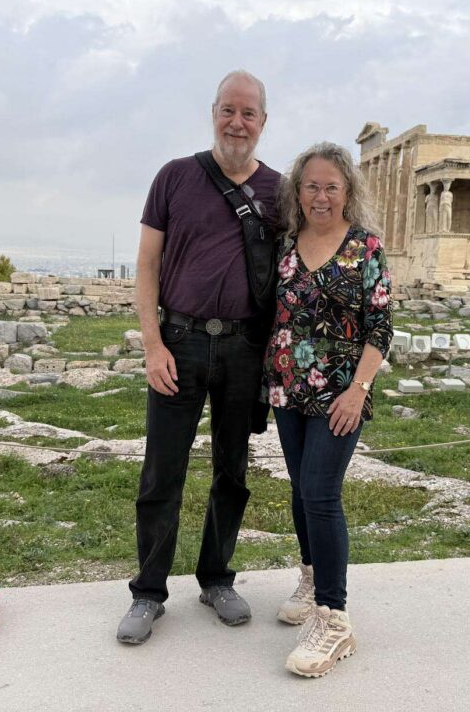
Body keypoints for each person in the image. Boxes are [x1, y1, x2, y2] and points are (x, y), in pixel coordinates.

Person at [117, 70, 281, 645]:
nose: (237, 122)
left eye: (248, 113)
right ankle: (148, 592)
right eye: (228, 110)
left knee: (232, 471)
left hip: (245, 347)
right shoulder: (174, 176)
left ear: (263, 122)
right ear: (213, 113)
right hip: (179, 341)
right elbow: (147, 265)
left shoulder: (279, 191)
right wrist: (152, 344)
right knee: (162, 471)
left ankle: (216, 578)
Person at [264, 142, 392, 677]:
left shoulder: (365, 247)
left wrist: (359, 389)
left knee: (320, 492)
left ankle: (334, 619)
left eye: (331, 187)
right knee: (300, 489)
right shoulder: (285, 245)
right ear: (298, 191)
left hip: (341, 392)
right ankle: (311, 576)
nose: (321, 196)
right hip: (288, 388)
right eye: (312, 186)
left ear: (347, 192)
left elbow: (380, 327)